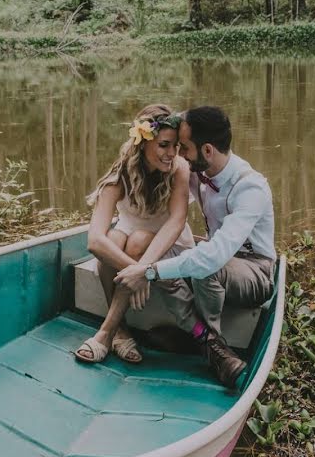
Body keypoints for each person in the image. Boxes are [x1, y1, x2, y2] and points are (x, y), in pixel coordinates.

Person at [114, 106, 276, 387]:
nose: (178, 155)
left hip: (254, 270)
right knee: (161, 251)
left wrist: (148, 272)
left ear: (208, 150)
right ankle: (207, 341)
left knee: (203, 265)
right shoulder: (198, 173)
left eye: (184, 148)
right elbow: (157, 154)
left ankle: (207, 343)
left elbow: (212, 258)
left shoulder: (251, 189)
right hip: (216, 261)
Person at [75, 104, 195, 364]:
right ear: (143, 143)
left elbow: (175, 223)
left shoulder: (179, 169)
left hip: (170, 245)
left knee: (137, 240)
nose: (171, 153)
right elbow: (95, 241)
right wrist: (139, 272)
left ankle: (106, 333)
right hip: (134, 255)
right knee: (114, 240)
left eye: (175, 146)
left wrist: (145, 270)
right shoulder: (119, 177)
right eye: (164, 145)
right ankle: (121, 330)